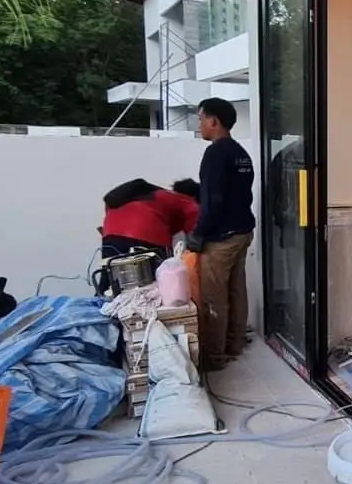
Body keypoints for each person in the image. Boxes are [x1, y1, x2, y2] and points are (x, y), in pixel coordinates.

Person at [186, 97, 256, 368]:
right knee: (236, 291)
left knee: (214, 296)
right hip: (242, 231)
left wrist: (199, 234)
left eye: (201, 118)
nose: (199, 123)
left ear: (213, 121)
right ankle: (234, 344)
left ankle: (215, 356)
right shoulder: (240, 153)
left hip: (222, 236)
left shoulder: (215, 153)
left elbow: (213, 199)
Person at [99, 178, 199, 260]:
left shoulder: (156, 195)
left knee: (110, 275)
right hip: (147, 235)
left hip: (110, 234)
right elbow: (195, 239)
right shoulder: (189, 202)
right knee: (160, 276)